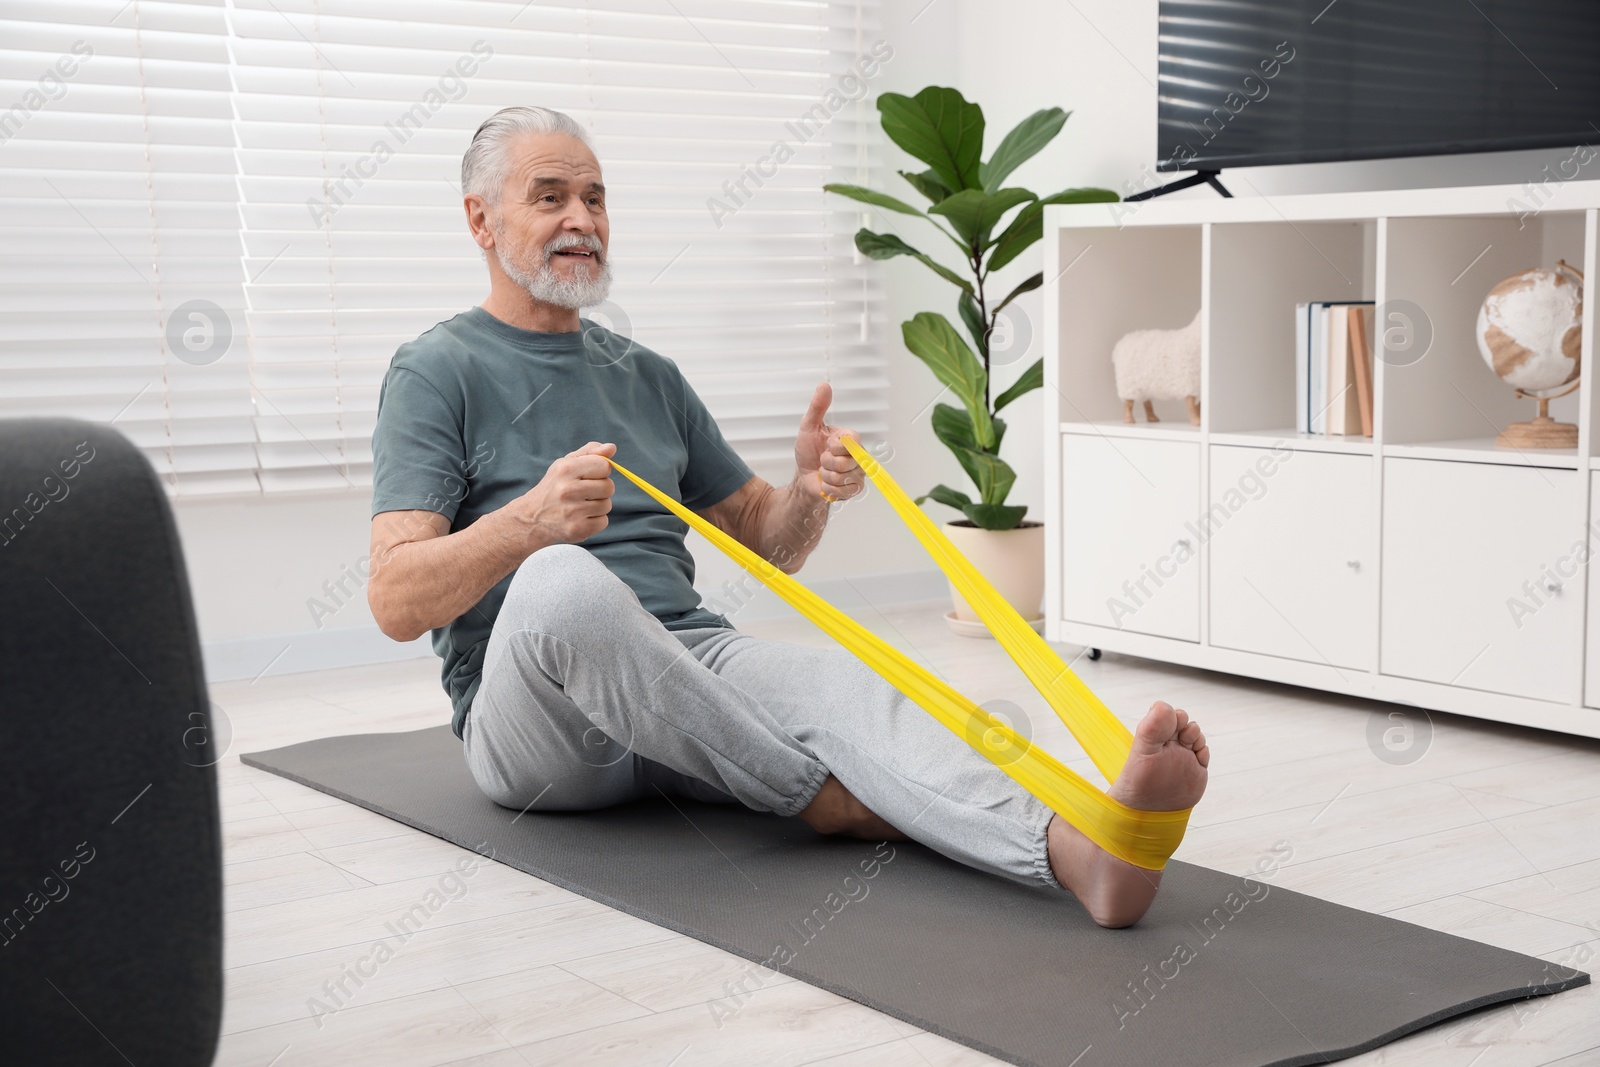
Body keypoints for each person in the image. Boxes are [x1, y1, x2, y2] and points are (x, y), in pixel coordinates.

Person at [366, 106, 1209, 928]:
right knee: (561, 586)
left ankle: (1082, 855)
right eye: (549, 196)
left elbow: (770, 542)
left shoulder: (648, 375)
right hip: (545, 732)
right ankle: (821, 798)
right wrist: (528, 526)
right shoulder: (437, 370)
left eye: (595, 197)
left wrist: (806, 490)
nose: (582, 218)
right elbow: (394, 601)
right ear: (481, 220)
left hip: (690, 684)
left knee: (849, 685)